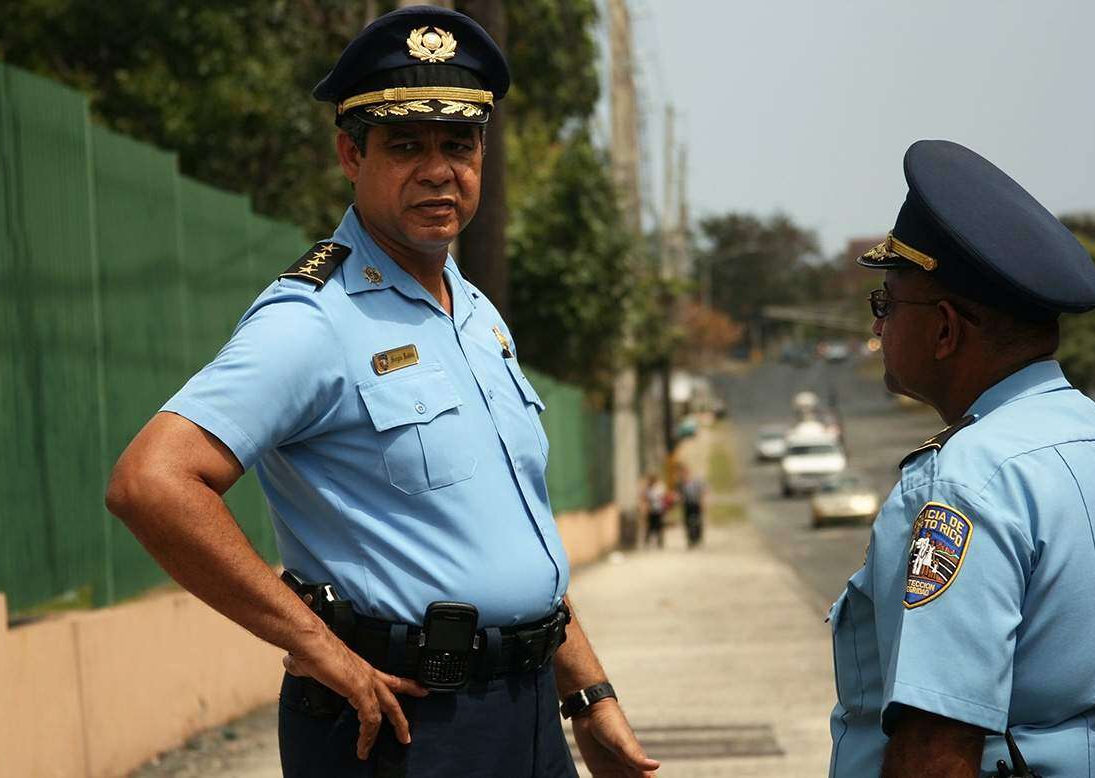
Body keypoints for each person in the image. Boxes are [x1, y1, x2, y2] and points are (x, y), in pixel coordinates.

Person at [104, 7, 659, 777]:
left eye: (458, 144)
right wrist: (313, 643)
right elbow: (151, 482)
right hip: (402, 726)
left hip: (527, 715)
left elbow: (506, 538)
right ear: (349, 154)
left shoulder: (475, 313)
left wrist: (588, 693)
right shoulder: (312, 319)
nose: (438, 170)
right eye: (405, 146)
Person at [827, 139, 1095, 777]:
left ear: (946, 329)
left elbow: (937, 748)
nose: (877, 328)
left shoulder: (963, 483)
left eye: (886, 305)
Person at [677, 465, 705, 548]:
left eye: (684, 473)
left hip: (696, 503)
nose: (683, 475)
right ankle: (690, 539)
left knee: (697, 521)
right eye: (682, 474)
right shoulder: (680, 483)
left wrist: (702, 503)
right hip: (687, 505)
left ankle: (697, 538)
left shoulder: (695, 482)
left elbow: (701, 492)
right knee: (687, 523)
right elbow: (679, 494)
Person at [642, 474, 668, 549]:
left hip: (659, 509)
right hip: (650, 510)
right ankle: (647, 541)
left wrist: (664, 508)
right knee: (650, 526)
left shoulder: (660, 487)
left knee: (659, 526)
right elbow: (644, 498)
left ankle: (660, 541)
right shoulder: (647, 488)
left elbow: (664, 498)